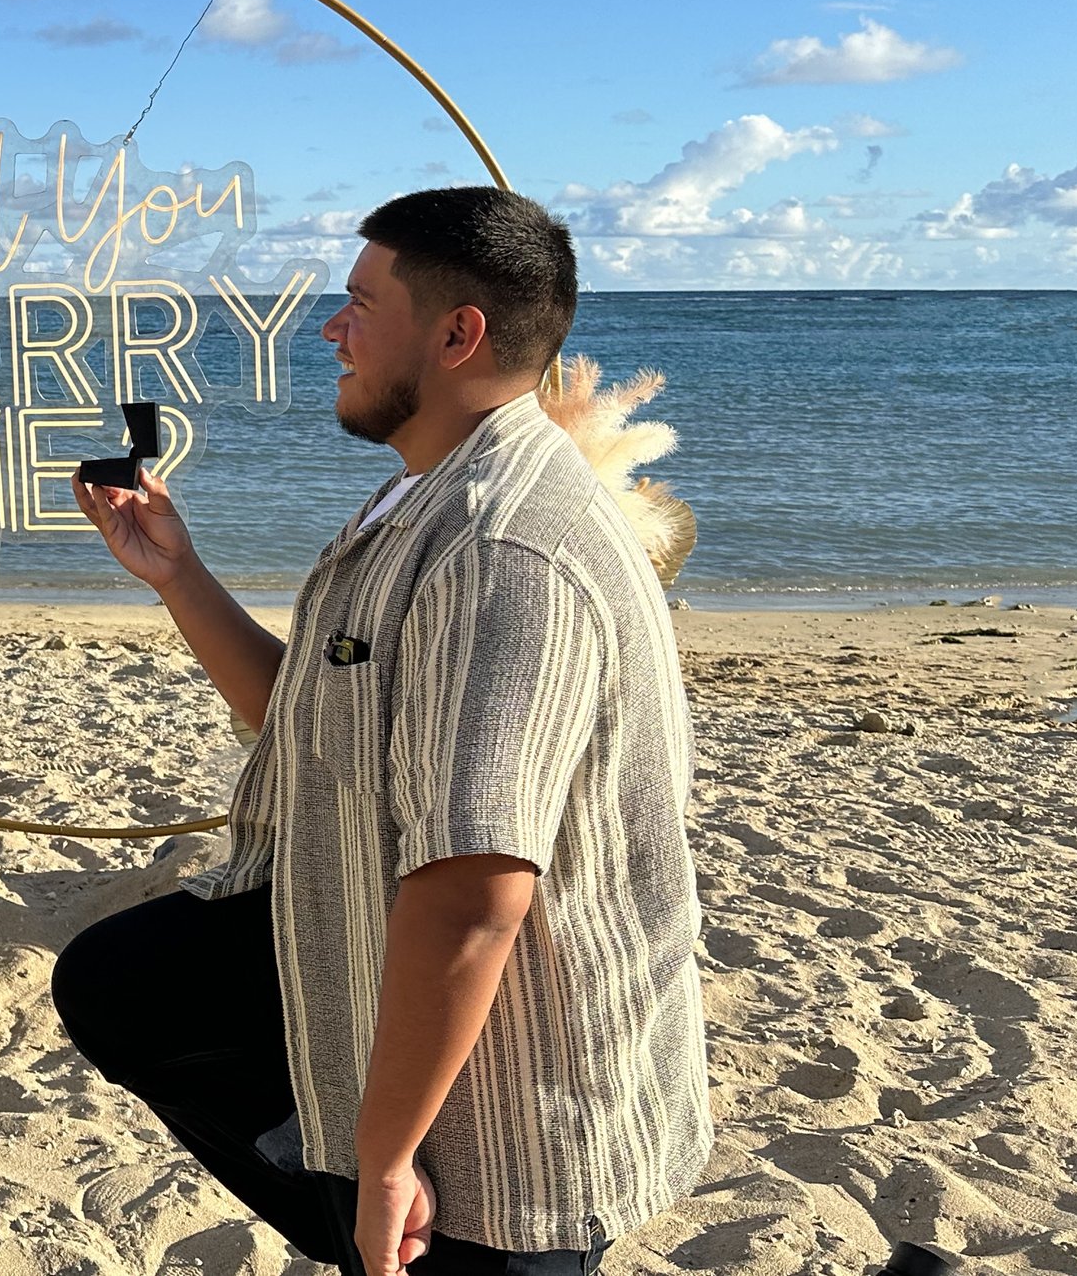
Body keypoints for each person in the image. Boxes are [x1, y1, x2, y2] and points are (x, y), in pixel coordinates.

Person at [51, 187, 710, 1276]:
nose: (328, 328)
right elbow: (311, 724)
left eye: (360, 302)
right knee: (127, 984)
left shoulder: (506, 549)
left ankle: (377, 1199)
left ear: (457, 334)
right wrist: (177, 574)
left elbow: (472, 895)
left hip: (515, 1124)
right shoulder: (423, 498)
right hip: (398, 994)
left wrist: (385, 1152)